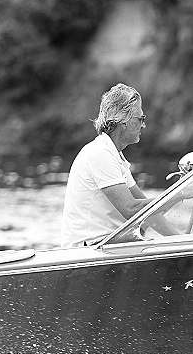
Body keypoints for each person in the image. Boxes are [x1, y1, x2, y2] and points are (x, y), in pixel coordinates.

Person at [61, 83, 178, 248]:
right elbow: (130, 209)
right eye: (140, 119)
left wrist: (180, 239)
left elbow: (149, 213)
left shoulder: (114, 155)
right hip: (90, 250)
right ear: (123, 120)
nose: (143, 125)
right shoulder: (100, 153)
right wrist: (180, 194)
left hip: (107, 246)